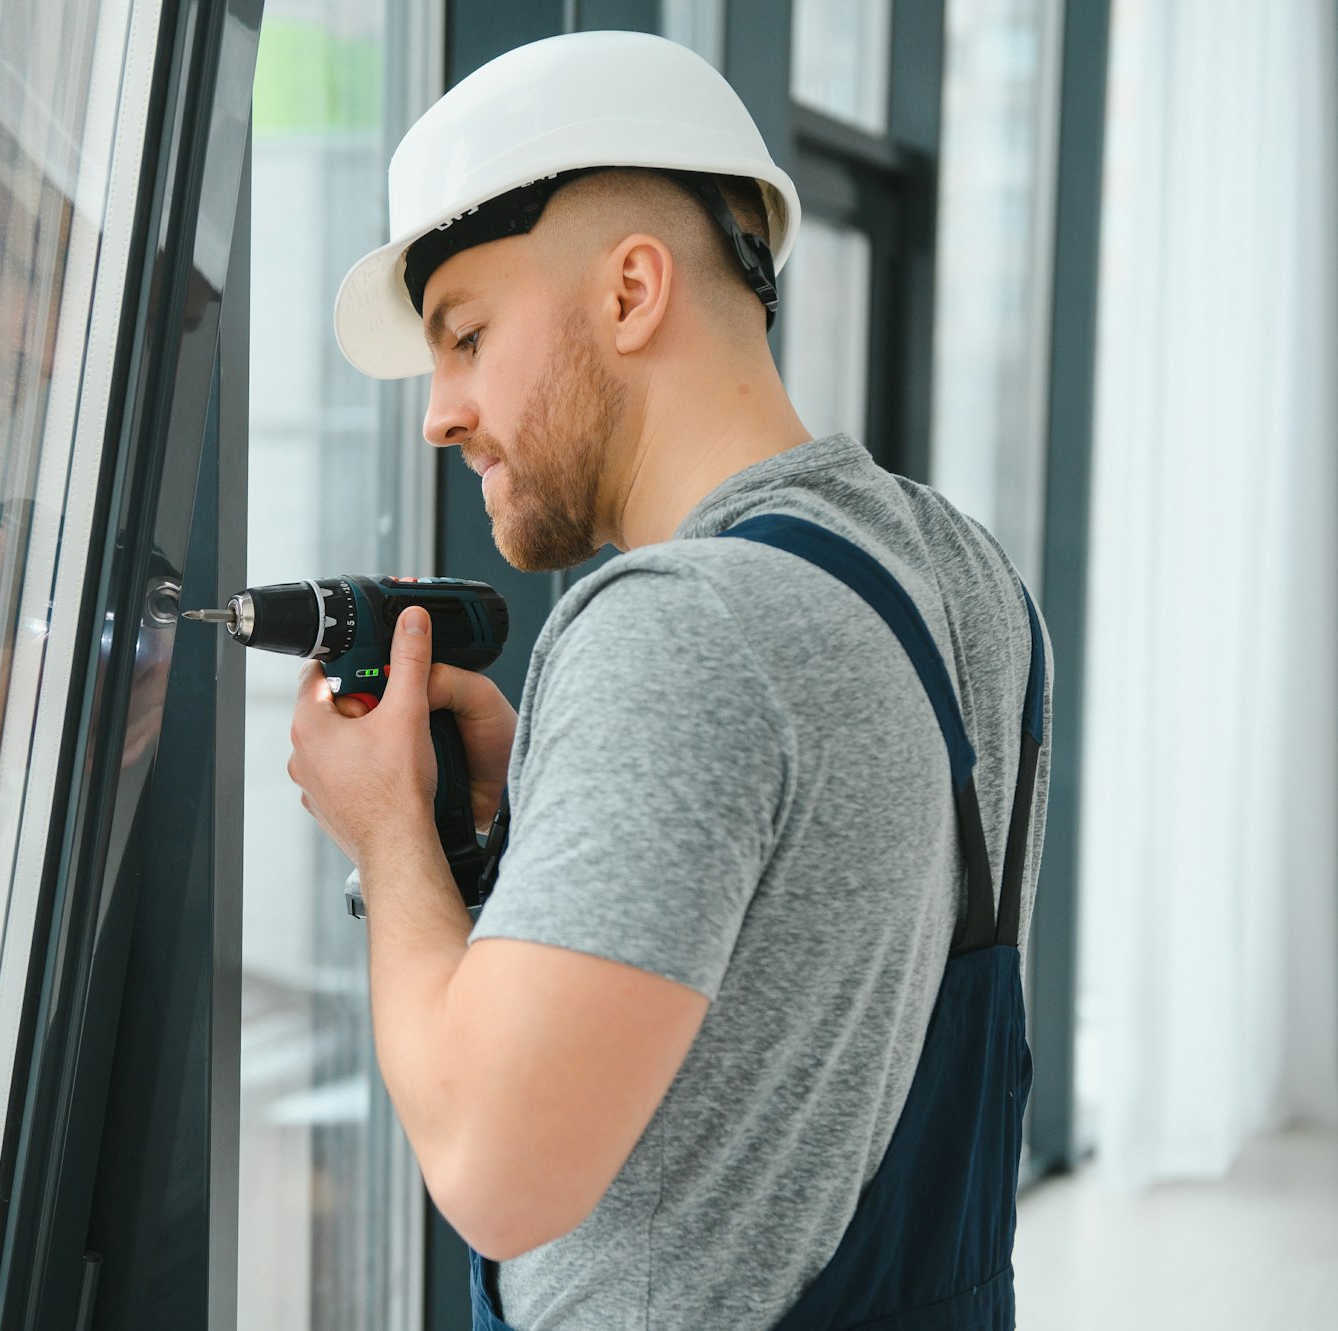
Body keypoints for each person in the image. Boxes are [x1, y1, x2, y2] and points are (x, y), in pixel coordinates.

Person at [285, 30, 1053, 1331]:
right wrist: (531, 833)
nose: (440, 412)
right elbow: (801, 992)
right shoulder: (962, 575)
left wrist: (390, 834)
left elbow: (495, 1168)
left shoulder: (674, 630)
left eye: (465, 335)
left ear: (633, 290)